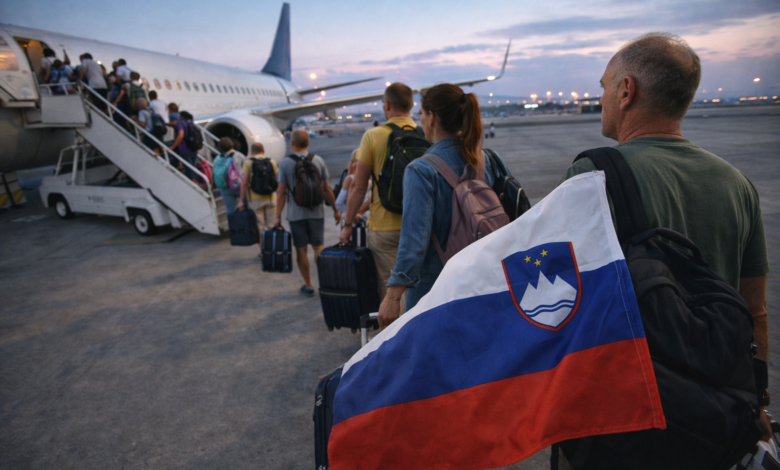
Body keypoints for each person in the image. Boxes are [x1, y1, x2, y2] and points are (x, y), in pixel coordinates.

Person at [560, 32, 770, 446]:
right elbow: (755, 311)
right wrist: (757, 399)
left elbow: (566, 304)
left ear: (626, 91)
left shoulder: (592, 175)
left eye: (604, 87)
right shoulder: (738, 184)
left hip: (629, 416)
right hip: (714, 416)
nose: (601, 99)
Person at [377, 83, 507, 327]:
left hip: (436, 288)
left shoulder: (421, 170)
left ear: (432, 118)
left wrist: (393, 295)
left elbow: (414, 242)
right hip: (486, 279)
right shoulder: (489, 158)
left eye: (422, 114)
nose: (421, 120)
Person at [338, 82, 417, 302]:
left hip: (384, 226)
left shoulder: (373, 136)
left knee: (388, 287)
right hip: (418, 224)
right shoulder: (423, 134)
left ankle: (394, 324)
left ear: (387, 105)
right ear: (411, 105)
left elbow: (359, 185)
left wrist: (347, 225)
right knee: (417, 285)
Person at [275, 129, 340, 297]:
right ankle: (325, 283)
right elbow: (326, 188)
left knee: (301, 250)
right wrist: (335, 209)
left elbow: (281, 192)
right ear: (308, 142)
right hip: (316, 212)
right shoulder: (318, 160)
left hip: (296, 215)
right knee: (318, 248)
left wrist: (277, 215)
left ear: (292, 143)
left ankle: (309, 285)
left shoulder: (285, 163)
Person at [237, 143, 278, 249]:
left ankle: (263, 251)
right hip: (271, 198)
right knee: (271, 225)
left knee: (260, 227)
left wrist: (241, 200)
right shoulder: (271, 161)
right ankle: (272, 250)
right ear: (263, 151)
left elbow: (244, 183)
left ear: (252, 152)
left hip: (255, 199)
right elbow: (277, 179)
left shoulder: (248, 162)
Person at [169, 111, 204, 184]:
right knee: (193, 167)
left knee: (188, 169)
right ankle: (197, 182)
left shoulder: (180, 123)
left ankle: (194, 184)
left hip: (184, 149)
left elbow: (181, 135)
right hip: (193, 148)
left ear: (181, 116)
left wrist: (173, 146)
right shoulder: (191, 123)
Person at [335, 150, 369, 223]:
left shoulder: (349, 178)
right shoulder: (369, 181)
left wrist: (350, 213)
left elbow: (339, 203)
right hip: (366, 219)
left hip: (351, 220)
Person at [214, 137, 246, 213]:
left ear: (220, 147)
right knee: (246, 206)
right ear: (232, 145)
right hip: (239, 185)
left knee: (230, 209)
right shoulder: (238, 155)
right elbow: (246, 169)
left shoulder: (217, 158)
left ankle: (233, 220)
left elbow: (215, 172)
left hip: (225, 187)